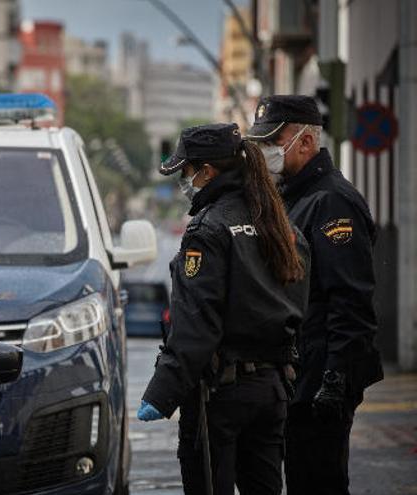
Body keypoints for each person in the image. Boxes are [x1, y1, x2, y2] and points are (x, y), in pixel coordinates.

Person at [138, 123, 311, 495]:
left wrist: (161, 394)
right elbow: (298, 302)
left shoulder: (208, 230)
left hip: (219, 396)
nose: (186, 183)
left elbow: (196, 326)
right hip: (273, 389)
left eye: (187, 173)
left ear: (207, 172)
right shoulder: (280, 224)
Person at [244, 95, 384, 495]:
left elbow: (351, 300)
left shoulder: (330, 201)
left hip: (320, 380)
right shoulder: (292, 196)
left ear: (305, 142)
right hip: (298, 375)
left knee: (319, 483)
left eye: (273, 142)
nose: (265, 152)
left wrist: (337, 378)